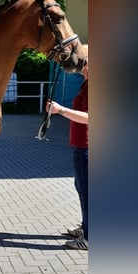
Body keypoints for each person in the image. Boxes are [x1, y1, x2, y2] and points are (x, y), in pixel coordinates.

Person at [46, 56, 89, 250]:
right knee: (82, 189)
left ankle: (88, 238)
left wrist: (60, 110)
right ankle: (85, 226)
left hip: (87, 146)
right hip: (82, 145)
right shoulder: (86, 83)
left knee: (87, 192)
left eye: (84, 60)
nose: (79, 63)